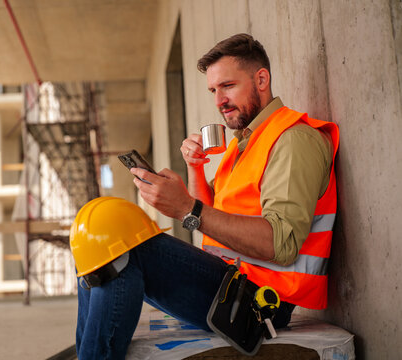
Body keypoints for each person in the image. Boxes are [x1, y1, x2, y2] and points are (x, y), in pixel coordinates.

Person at [75, 33, 339, 359]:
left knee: (116, 241)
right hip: (230, 284)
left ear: (261, 79)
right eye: (213, 90)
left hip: (260, 304)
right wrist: (195, 170)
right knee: (95, 238)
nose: (219, 100)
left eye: (227, 86)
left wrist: (187, 206)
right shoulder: (242, 146)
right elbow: (213, 220)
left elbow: (281, 244)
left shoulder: (293, 140)